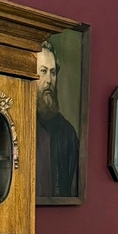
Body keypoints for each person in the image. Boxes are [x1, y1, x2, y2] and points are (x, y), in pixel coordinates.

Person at [35, 41, 79, 198]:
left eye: (52, 73)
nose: (49, 80)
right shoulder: (17, 126)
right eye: (43, 71)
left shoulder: (68, 133)